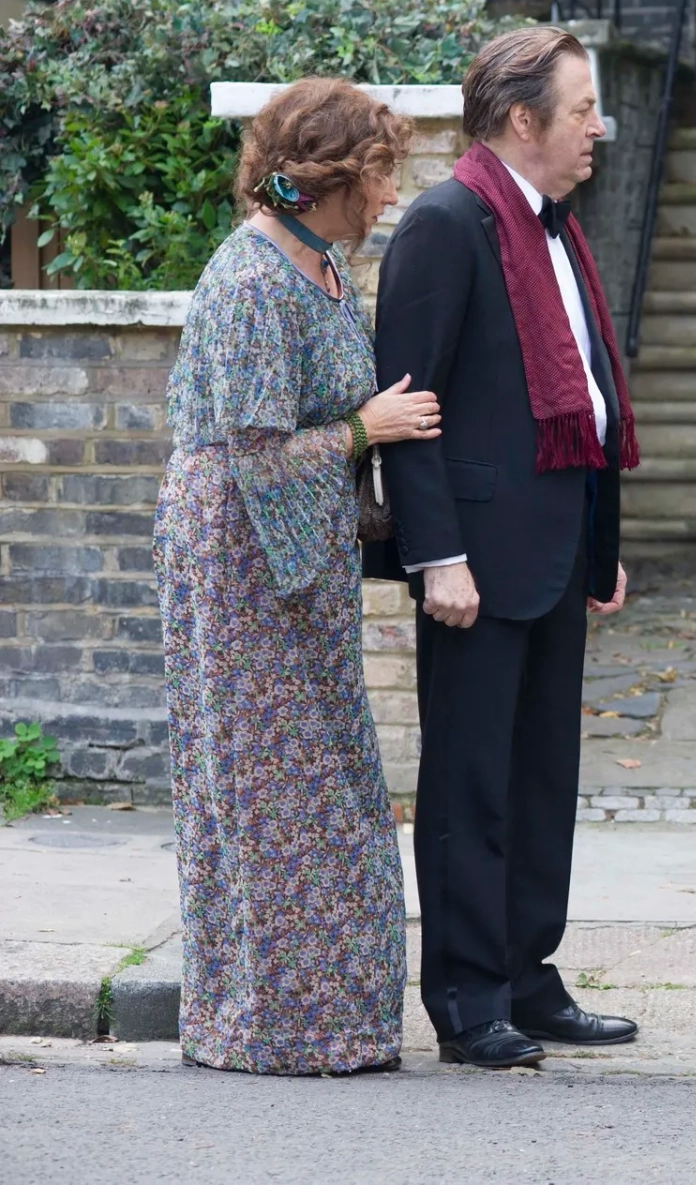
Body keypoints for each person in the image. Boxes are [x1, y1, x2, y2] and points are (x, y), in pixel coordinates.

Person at [156, 78, 443, 1074]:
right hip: (239, 567)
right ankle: (267, 1025)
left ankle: (335, 1023)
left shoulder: (320, 265)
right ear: (332, 176)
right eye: (380, 172)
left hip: (299, 563)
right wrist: (372, 429)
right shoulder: (250, 283)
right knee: (267, 794)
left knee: (333, 792)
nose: (390, 193)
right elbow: (258, 454)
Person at [369, 26, 641, 1068]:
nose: (598, 128)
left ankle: (529, 975)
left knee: (539, 781)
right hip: (475, 563)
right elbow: (412, 404)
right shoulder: (449, 223)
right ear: (522, 120)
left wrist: (599, 539)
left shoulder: (557, 227)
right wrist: (437, 554)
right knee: (471, 784)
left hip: (554, 549)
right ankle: (468, 994)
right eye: (581, 110)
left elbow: (591, 396)